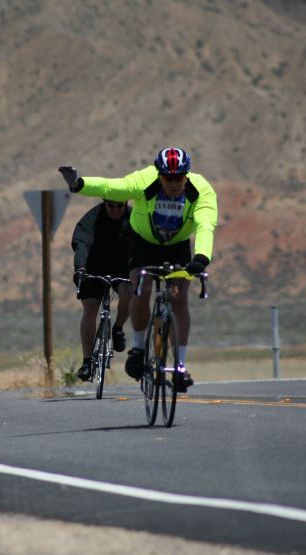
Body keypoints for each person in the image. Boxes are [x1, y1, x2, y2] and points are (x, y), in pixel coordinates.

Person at [59, 147, 217, 391]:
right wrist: (79, 184)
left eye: (179, 177)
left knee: (179, 299)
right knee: (140, 289)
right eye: (168, 177)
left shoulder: (201, 190)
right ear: (159, 174)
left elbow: (206, 224)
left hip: (177, 246)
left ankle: (180, 367)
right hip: (143, 243)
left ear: (187, 175)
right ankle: (138, 348)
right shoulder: (146, 179)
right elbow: (115, 188)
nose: (174, 183)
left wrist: (202, 258)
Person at [71, 198, 133, 381]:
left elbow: (143, 244)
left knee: (129, 293)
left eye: (119, 206)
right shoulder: (93, 217)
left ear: (126, 204)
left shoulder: (134, 218)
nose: (114, 210)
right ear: (104, 204)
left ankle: (118, 328)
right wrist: (80, 268)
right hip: (94, 266)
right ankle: (87, 362)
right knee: (90, 308)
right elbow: (81, 242)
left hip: (122, 267)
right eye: (110, 206)